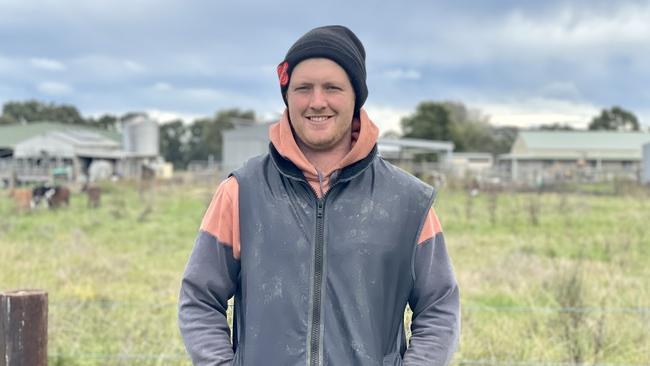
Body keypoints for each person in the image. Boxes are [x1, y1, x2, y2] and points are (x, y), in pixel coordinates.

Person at [179, 25, 460, 366]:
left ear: (356, 96)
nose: (317, 101)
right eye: (303, 88)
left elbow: (439, 307)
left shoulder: (407, 201)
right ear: (287, 97)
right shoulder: (240, 193)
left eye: (332, 88)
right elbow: (199, 298)